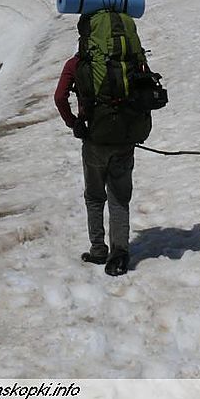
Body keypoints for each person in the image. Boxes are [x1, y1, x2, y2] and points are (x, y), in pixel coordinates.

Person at [54, 51, 136, 277]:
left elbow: (60, 97)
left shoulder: (76, 63)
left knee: (94, 196)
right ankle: (119, 255)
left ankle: (99, 250)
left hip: (93, 138)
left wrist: (73, 123)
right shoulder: (126, 58)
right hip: (124, 138)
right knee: (119, 198)